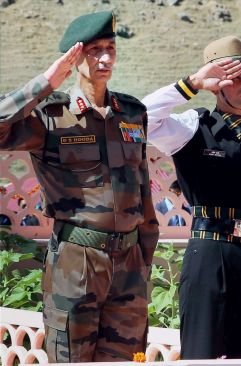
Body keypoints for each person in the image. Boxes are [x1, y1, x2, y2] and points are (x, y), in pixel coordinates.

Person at [0, 11, 159, 362]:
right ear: (74, 57)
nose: (105, 58)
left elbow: (143, 189)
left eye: (111, 49)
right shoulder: (50, 117)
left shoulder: (131, 113)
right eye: (94, 50)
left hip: (129, 265)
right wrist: (45, 82)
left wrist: (143, 258)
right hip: (77, 263)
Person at [143, 36, 241, 359]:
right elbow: (139, 118)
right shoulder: (192, 129)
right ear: (216, 84)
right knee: (201, 354)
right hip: (208, 255)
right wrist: (193, 82)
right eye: (237, 77)